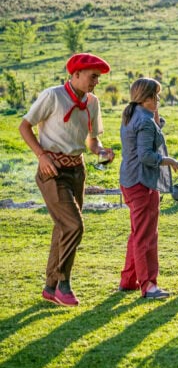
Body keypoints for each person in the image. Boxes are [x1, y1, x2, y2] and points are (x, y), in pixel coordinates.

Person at [19, 53, 114, 306]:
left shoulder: (92, 102)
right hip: (52, 170)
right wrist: (41, 156)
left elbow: (92, 140)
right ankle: (64, 283)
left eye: (98, 78)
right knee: (74, 226)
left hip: (77, 170)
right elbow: (24, 126)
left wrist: (102, 151)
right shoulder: (52, 96)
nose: (96, 82)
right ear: (76, 75)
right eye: (93, 77)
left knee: (63, 227)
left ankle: (50, 287)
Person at [119, 78, 178, 299]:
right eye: (155, 96)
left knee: (137, 233)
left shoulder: (132, 114)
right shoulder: (144, 121)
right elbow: (146, 155)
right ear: (146, 98)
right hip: (142, 182)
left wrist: (155, 115)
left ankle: (128, 280)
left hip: (129, 180)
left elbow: (148, 134)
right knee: (146, 236)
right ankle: (149, 285)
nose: (158, 99)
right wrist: (170, 161)